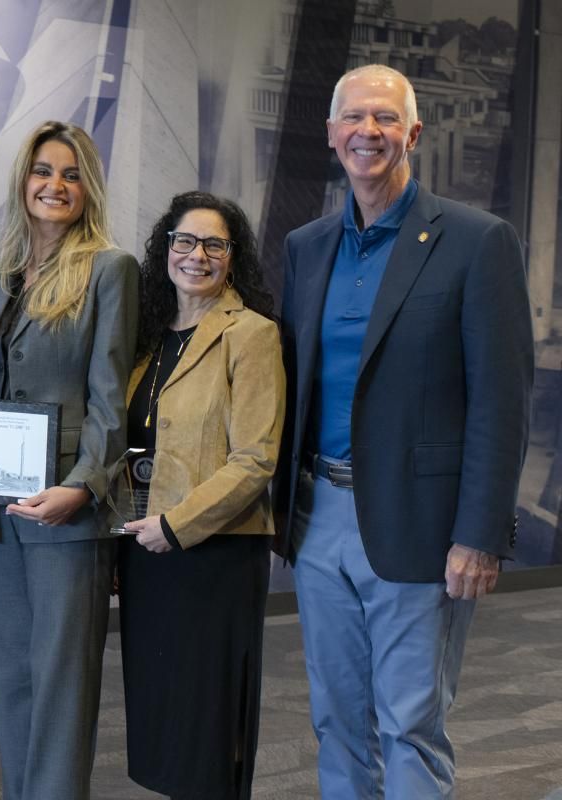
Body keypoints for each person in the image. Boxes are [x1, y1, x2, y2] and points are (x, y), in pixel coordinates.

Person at [274, 64, 534, 797]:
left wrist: (480, 534)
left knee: (410, 725)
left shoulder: (478, 241)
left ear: (413, 133)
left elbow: (501, 401)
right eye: (355, 118)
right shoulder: (306, 246)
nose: (369, 131)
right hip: (319, 519)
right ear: (332, 134)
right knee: (335, 721)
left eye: (386, 118)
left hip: (422, 526)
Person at [0, 120, 138, 799]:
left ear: (89, 188)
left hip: (67, 511)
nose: (55, 185)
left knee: (61, 684)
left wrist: (84, 486)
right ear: (23, 181)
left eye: (71, 175)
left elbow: (110, 400)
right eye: (43, 171)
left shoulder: (110, 270)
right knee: (11, 678)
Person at [117, 191, 283, 799]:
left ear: (233, 258)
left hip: (214, 554)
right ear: (165, 248)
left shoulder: (252, 334)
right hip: (146, 551)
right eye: (185, 241)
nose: (197, 255)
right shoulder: (146, 339)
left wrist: (177, 525)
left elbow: (256, 458)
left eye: (215, 244)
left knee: (208, 721)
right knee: (164, 712)